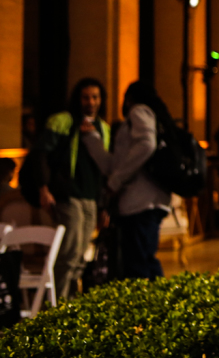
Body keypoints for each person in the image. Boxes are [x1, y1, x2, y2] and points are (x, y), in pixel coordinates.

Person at [20, 78, 111, 298]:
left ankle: (70, 302)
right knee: (68, 252)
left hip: (90, 197)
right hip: (68, 195)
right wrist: (44, 188)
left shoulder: (104, 127)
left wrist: (103, 206)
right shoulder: (63, 121)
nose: (90, 102)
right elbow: (40, 154)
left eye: (95, 97)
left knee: (80, 255)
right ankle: (56, 304)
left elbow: (104, 169)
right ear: (77, 99)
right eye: (86, 97)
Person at [81, 81, 172, 280]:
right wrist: (92, 138)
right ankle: (158, 304)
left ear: (129, 98)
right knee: (142, 260)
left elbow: (147, 144)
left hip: (141, 203)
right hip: (143, 203)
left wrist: (116, 181)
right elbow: (113, 165)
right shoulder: (147, 117)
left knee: (139, 264)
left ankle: (152, 307)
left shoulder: (139, 111)